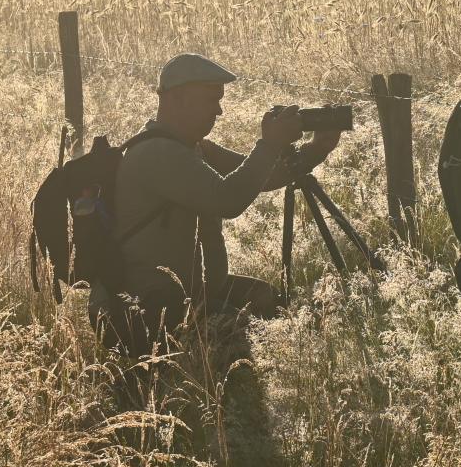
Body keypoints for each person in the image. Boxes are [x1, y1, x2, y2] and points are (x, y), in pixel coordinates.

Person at [96, 53, 343, 365]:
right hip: (145, 305)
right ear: (177, 99)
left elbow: (261, 177)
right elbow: (228, 200)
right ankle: (227, 396)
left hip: (187, 294)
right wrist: (268, 144)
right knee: (236, 326)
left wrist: (315, 149)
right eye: (211, 101)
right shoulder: (158, 154)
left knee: (265, 299)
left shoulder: (192, 147)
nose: (219, 111)